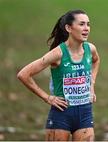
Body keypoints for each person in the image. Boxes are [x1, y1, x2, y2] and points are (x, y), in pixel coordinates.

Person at [17, 9, 100, 141]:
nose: (86, 29)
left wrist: (91, 85)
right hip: (61, 115)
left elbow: (96, 61)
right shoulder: (58, 54)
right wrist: (47, 98)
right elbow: (24, 74)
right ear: (68, 28)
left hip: (85, 114)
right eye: (81, 24)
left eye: (88, 24)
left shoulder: (90, 49)